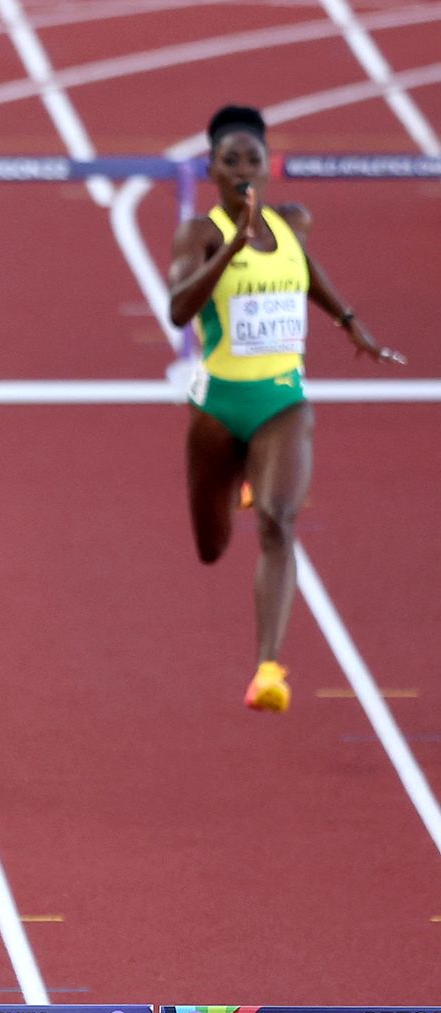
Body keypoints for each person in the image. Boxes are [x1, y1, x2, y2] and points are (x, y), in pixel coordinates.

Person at [167, 104, 404, 715]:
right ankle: (241, 474)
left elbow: (304, 271)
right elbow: (177, 310)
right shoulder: (198, 234)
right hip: (219, 406)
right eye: (230, 160)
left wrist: (350, 322)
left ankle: (268, 669)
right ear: (212, 169)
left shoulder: (294, 223)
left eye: (252, 157)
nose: (243, 167)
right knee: (211, 546)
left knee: (277, 523)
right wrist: (231, 245)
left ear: (267, 165)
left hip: (282, 398)